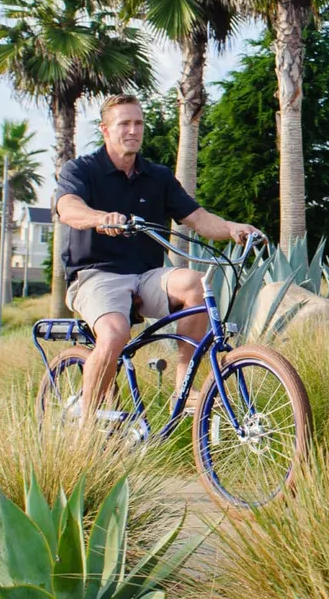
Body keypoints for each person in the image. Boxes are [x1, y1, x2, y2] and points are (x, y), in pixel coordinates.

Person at [51, 93, 262, 421]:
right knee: (114, 333)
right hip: (96, 275)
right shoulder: (82, 169)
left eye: (138, 123)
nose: (133, 130)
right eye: (124, 124)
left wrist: (233, 228)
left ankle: (183, 384)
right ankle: (85, 429)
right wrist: (99, 218)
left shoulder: (157, 176)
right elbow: (68, 208)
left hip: (147, 274)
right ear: (106, 130)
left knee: (194, 284)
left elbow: (198, 218)